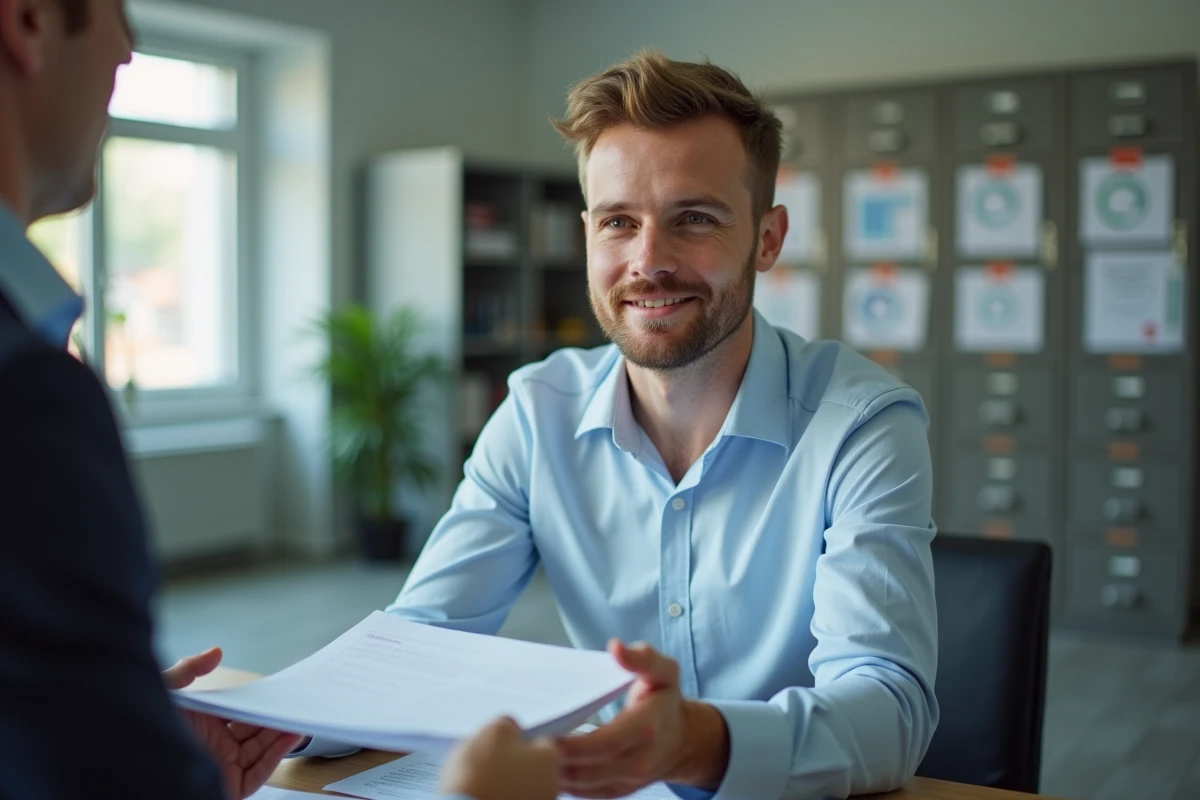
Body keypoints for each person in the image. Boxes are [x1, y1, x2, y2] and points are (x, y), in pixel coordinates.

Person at [299, 50, 940, 799]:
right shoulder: (539, 411)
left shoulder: (862, 425)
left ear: (768, 239)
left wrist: (697, 743)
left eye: (693, 219)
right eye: (618, 222)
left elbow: (890, 710)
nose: (648, 261)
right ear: (587, 235)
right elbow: (416, 646)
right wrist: (256, 726)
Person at [0, 1, 559, 798]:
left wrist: (101, 717)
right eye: (118, 10)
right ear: (26, 23)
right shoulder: (26, 396)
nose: (129, 43)